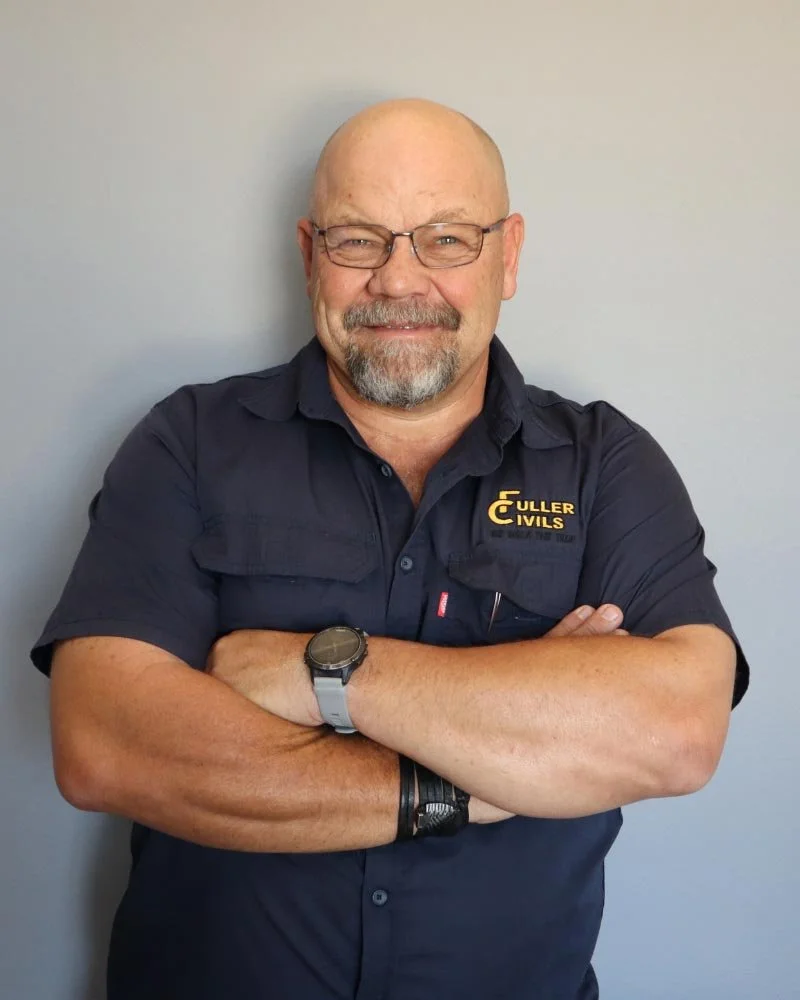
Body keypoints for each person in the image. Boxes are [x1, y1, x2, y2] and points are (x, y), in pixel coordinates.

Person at [32, 98, 748, 1000]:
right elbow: (106, 743)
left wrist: (322, 671)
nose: (399, 279)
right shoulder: (191, 442)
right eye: (358, 239)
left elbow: (676, 733)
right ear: (309, 255)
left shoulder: (605, 464)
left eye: (447, 239)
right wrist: (476, 786)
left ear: (508, 255)